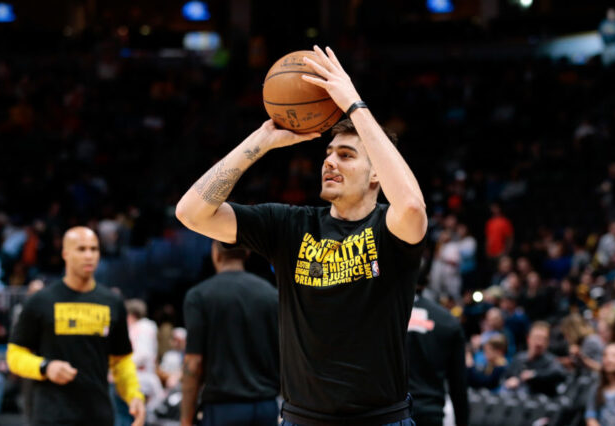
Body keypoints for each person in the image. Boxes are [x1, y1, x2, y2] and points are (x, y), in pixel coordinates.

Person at [176, 45, 427, 425]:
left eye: (346, 155)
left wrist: (355, 107)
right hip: (301, 419)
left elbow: (411, 207)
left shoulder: (388, 228)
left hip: (381, 419)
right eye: (328, 152)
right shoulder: (291, 225)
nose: (329, 160)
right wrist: (259, 143)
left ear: (376, 173)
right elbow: (191, 213)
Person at [6, 226, 146, 426]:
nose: (89, 255)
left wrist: (134, 396)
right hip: (51, 416)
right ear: (65, 253)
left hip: (99, 415)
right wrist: (45, 367)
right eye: (81, 249)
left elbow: (121, 362)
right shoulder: (41, 301)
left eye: (94, 249)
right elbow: (14, 355)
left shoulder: (112, 302)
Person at [181, 241, 279, 426]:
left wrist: (186, 419)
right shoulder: (271, 295)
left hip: (223, 409)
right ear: (247, 253)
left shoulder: (199, 296)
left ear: (215, 254)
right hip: (266, 407)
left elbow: (193, 363)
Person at [407, 293, 468, 426]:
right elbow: (458, 383)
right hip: (430, 412)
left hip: (391, 414)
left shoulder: (383, 315)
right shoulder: (447, 320)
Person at [503, 321, 567, 397]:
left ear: (547, 342)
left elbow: (559, 374)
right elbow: (506, 377)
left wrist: (534, 375)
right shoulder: (519, 358)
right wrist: (510, 381)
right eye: (536, 338)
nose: (539, 343)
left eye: (543, 339)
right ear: (528, 338)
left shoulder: (551, 361)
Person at [585, 342, 615, 426]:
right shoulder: (597, 388)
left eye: (614, 356)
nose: (609, 359)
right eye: (605, 355)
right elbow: (590, 418)